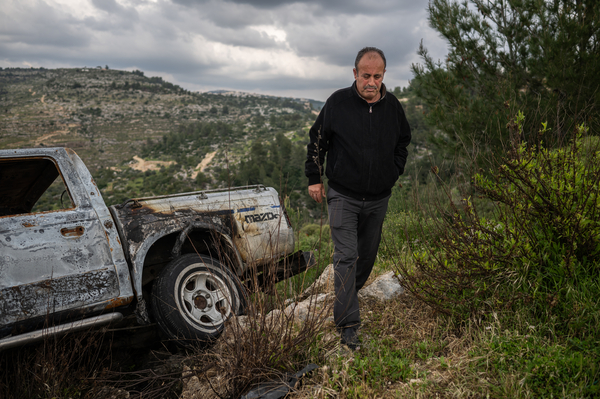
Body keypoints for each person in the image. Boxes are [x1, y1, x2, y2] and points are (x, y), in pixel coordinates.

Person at [305, 47, 411, 350]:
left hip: (379, 197)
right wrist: (315, 176)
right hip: (343, 195)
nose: (371, 82)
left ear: (384, 76)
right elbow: (317, 139)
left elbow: (403, 140)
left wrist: (394, 170)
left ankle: (348, 293)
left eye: (377, 76)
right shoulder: (338, 102)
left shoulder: (393, 108)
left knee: (367, 255)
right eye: (366, 75)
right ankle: (349, 325)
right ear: (355, 73)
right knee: (346, 257)